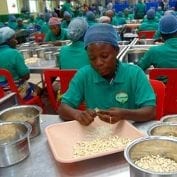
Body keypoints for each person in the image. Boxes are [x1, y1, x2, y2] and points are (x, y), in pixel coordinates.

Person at [58, 23, 156, 126]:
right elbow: (63, 108)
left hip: (129, 131)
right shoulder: (84, 75)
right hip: (97, 135)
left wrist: (125, 114)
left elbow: (150, 110)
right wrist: (78, 114)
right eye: (92, 58)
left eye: (104, 56)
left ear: (116, 51)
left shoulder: (134, 74)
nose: (98, 63)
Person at [0, 27, 41, 100]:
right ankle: (35, 105)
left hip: (1, 94)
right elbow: (26, 76)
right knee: (38, 88)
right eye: (14, 39)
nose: (17, 41)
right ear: (8, 41)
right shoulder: (14, 53)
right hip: (14, 94)